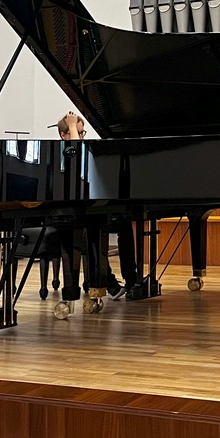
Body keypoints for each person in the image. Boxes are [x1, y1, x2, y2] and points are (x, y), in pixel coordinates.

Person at [57, 111, 138, 298]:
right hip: (69, 215)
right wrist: (71, 125)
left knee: (123, 225)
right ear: (63, 135)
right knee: (90, 233)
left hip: (87, 209)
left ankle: (131, 279)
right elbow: (75, 154)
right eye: (77, 133)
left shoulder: (84, 151)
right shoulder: (64, 152)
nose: (81, 137)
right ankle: (107, 282)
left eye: (82, 133)